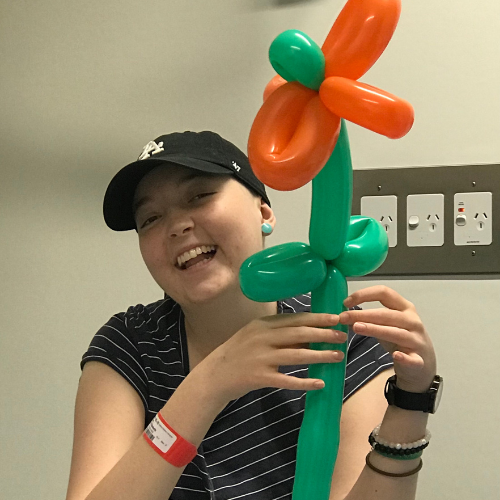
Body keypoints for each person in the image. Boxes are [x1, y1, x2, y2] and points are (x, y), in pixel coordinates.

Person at [65, 131, 440, 500]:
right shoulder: (130, 344)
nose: (177, 226)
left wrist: (411, 401)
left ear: (264, 211)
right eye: (149, 218)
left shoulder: (337, 332)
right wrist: (209, 384)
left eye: (199, 195)